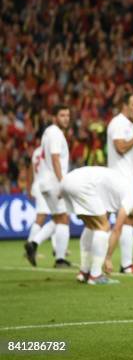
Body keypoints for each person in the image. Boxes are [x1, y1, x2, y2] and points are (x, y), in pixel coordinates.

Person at [60, 166, 133, 285]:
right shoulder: (131, 199)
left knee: (91, 226)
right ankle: (95, 275)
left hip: (67, 181)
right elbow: (117, 230)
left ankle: (84, 272)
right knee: (103, 227)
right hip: (81, 184)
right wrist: (108, 258)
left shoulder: (116, 195)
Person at [24, 104, 71, 268]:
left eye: (67, 115)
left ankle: (34, 243)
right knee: (64, 219)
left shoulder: (48, 132)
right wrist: (62, 182)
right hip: (53, 182)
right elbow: (55, 158)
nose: (66, 118)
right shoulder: (56, 134)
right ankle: (60, 259)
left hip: (43, 182)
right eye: (62, 115)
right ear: (54, 117)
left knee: (58, 219)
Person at [106, 92, 133, 274]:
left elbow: (131, 162)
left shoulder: (129, 126)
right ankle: (108, 262)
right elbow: (120, 147)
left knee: (126, 224)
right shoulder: (118, 123)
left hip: (127, 180)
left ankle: (126, 265)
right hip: (118, 181)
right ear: (125, 105)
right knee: (115, 223)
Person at [25, 145, 51, 249]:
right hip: (45, 186)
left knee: (56, 217)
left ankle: (59, 250)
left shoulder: (36, 151)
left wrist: (30, 187)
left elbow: (31, 170)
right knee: (42, 217)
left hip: (38, 184)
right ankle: (30, 244)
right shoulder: (50, 149)